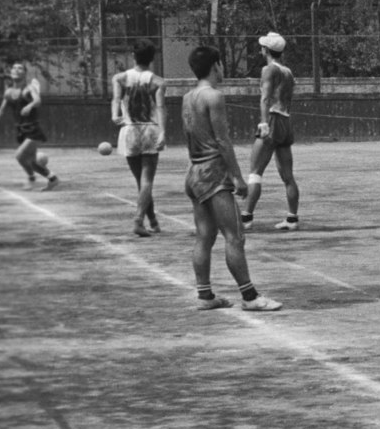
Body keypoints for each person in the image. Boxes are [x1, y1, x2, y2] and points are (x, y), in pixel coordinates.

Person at [181, 45, 282, 313]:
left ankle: (205, 295)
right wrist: (237, 178)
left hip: (194, 172)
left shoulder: (187, 97)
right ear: (216, 65)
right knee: (235, 236)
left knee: (204, 236)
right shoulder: (214, 96)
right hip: (214, 174)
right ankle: (249, 297)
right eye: (222, 64)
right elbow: (223, 140)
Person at [239, 32, 302, 232]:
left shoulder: (268, 70)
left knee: (255, 172)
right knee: (288, 175)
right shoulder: (288, 72)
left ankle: (246, 217)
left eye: (262, 47)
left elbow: (265, 98)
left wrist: (264, 123)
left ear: (266, 50)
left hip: (273, 119)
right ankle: (292, 218)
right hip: (286, 121)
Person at [111, 40, 166, 236]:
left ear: (133, 56)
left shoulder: (120, 78)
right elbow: (160, 108)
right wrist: (163, 131)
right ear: (152, 59)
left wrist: (114, 114)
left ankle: (151, 220)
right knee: (147, 180)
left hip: (130, 130)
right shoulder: (158, 82)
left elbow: (116, 99)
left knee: (140, 181)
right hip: (150, 130)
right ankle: (140, 220)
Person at [0, 61, 59, 190]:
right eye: (14, 67)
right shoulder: (9, 92)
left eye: (20, 68)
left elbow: (37, 100)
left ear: (24, 73)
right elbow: (1, 110)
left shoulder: (29, 88)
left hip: (33, 129)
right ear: (11, 72)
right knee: (30, 162)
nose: (16, 70)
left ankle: (33, 179)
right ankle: (51, 179)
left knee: (19, 155)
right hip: (21, 131)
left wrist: (29, 106)